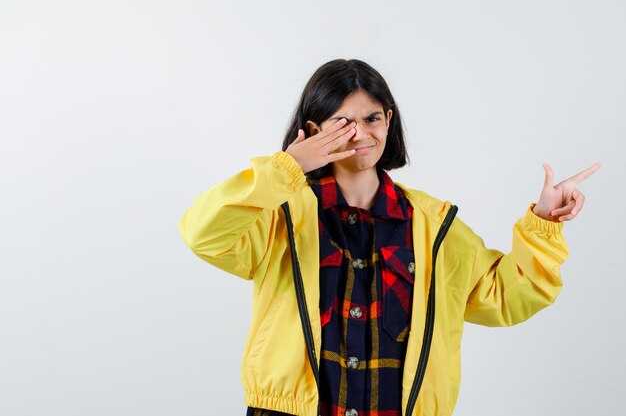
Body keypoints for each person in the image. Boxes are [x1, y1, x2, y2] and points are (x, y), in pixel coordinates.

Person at [178, 59, 600, 416]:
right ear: (314, 128)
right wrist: (287, 167)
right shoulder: (280, 216)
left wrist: (544, 219)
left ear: (389, 121)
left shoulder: (433, 226)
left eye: (372, 118)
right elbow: (205, 232)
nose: (360, 133)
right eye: (342, 121)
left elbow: (506, 296)